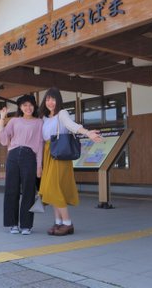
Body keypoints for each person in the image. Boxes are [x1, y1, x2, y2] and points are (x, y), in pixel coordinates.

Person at [38, 87, 103, 236]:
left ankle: (67, 223)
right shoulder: (44, 118)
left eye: (53, 99)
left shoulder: (62, 113)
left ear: (58, 100)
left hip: (59, 155)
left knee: (54, 188)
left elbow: (71, 126)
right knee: (50, 190)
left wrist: (87, 133)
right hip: (48, 155)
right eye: (48, 99)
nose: (50, 102)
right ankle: (58, 222)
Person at [0, 94, 43, 235]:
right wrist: (2, 118)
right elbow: (2, 137)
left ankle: (26, 225)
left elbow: (40, 145)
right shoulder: (15, 121)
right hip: (13, 155)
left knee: (29, 191)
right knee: (11, 190)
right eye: (24, 105)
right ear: (20, 107)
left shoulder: (39, 122)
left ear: (34, 107)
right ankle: (12, 224)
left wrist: (39, 166)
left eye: (30, 105)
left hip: (30, 156)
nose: (28, 108)